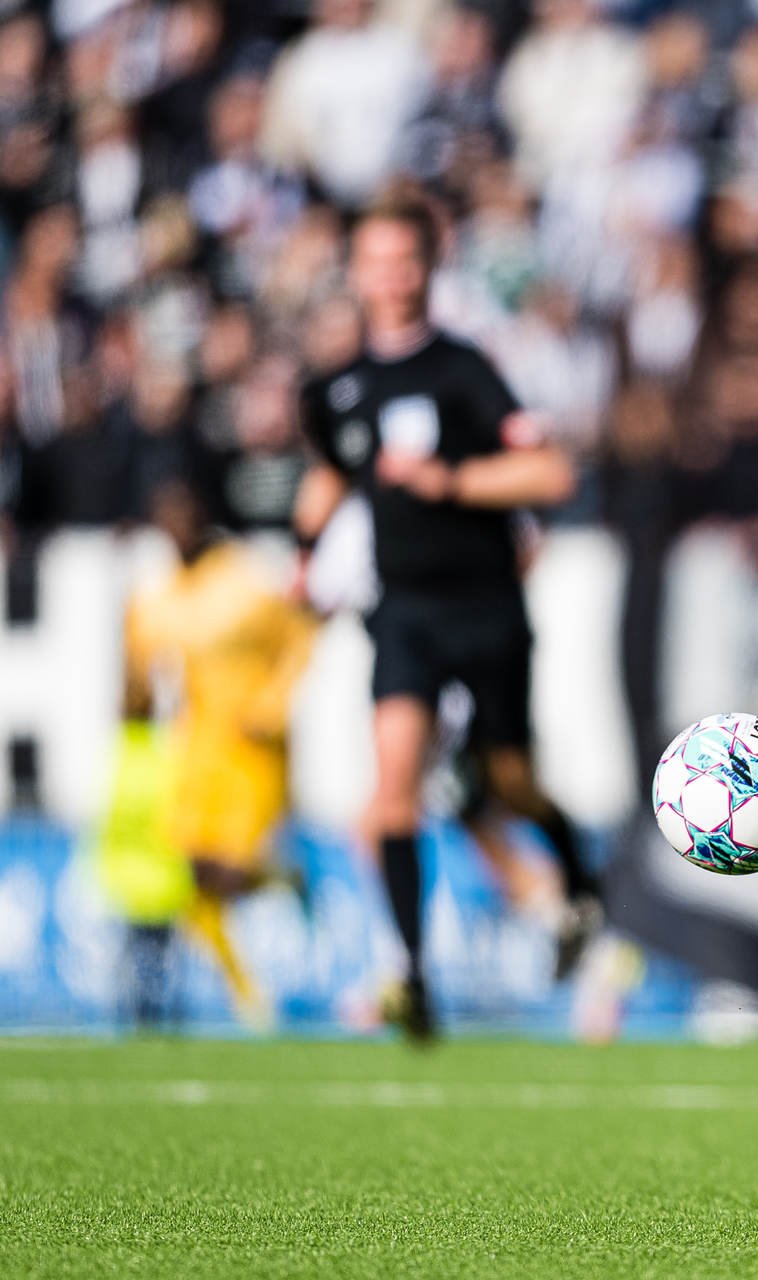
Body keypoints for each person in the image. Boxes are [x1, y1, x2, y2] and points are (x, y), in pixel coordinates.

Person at [291, 193, 593, 1043]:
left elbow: (549, 475)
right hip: (404, 613)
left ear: (429, 268)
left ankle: (578, 883)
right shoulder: (339, 389)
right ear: (355, 272)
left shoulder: (464, 370)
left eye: (405, 261)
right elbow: (329, 478)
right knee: (391, 788)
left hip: (488, 606)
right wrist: (302, 555)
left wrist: (451, 483)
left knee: (507, 784)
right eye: (375, 261)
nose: (390, 278)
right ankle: (412, 977)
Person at [124, 478, 316, 1028]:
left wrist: (273, 705)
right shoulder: (162, 594)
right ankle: (248, 995)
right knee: (193, 879)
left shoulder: (244, 581)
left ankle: (280, 879)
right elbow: (139, 671)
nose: (174, 530)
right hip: (198, 748)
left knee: (229, 869)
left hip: (252, 749)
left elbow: (300, 636)